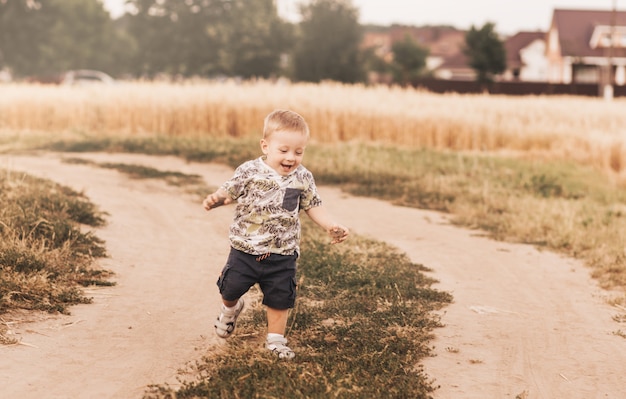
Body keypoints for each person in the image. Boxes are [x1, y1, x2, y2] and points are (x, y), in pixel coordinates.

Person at [202, 109, 349, 360]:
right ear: (266, 146)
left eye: (298, 151)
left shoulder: (303, 177)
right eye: (284, 151)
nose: (291, 157)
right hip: (245, 250)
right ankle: (231, 309)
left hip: (283, 253)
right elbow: (230, 191)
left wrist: (330, 225)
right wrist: (218, 199)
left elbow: (313, 205)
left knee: (280, 298)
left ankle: (276, 340)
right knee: (230, 288)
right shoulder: (249, 171)